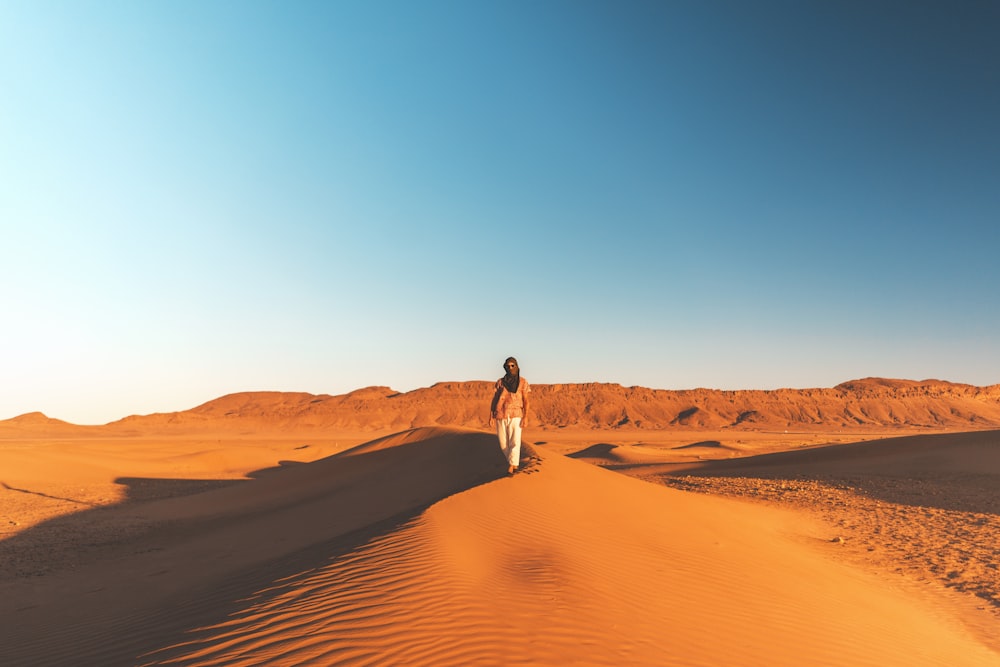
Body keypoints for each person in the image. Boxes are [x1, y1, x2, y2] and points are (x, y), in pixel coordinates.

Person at [489, 356, 530, 475]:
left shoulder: (523, 382)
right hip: (500, 414)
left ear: (516, 366)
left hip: (516, 414)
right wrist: (491, 416)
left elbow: (526, 400)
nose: (510, 368)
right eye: (508, 366)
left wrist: (526, 416)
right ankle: (514, 462)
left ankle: (512, 466)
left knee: (515, 441)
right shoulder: (500, 382)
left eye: (512, 366)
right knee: (503, 443)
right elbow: (495, 399)